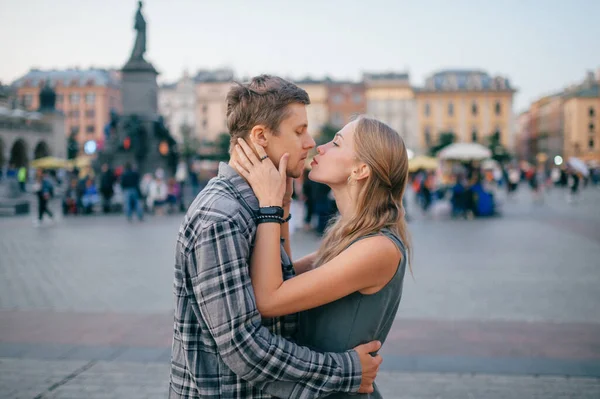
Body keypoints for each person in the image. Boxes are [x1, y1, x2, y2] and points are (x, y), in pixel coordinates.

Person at [170, 75, 382, 399]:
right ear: (260, 137)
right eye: (299, 131)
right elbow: (246, 349)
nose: (310, 142)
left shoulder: (254, 203)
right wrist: (347, 370)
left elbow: (277, 292)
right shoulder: (221, 216)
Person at [232, 116, 410, 399]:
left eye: (336, 143)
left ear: (361, 169)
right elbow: (285, 276)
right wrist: (283, 204)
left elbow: (269, 299)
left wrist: (269, 208)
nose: (320, 146)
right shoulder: (350, 237)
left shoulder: (377, 248)